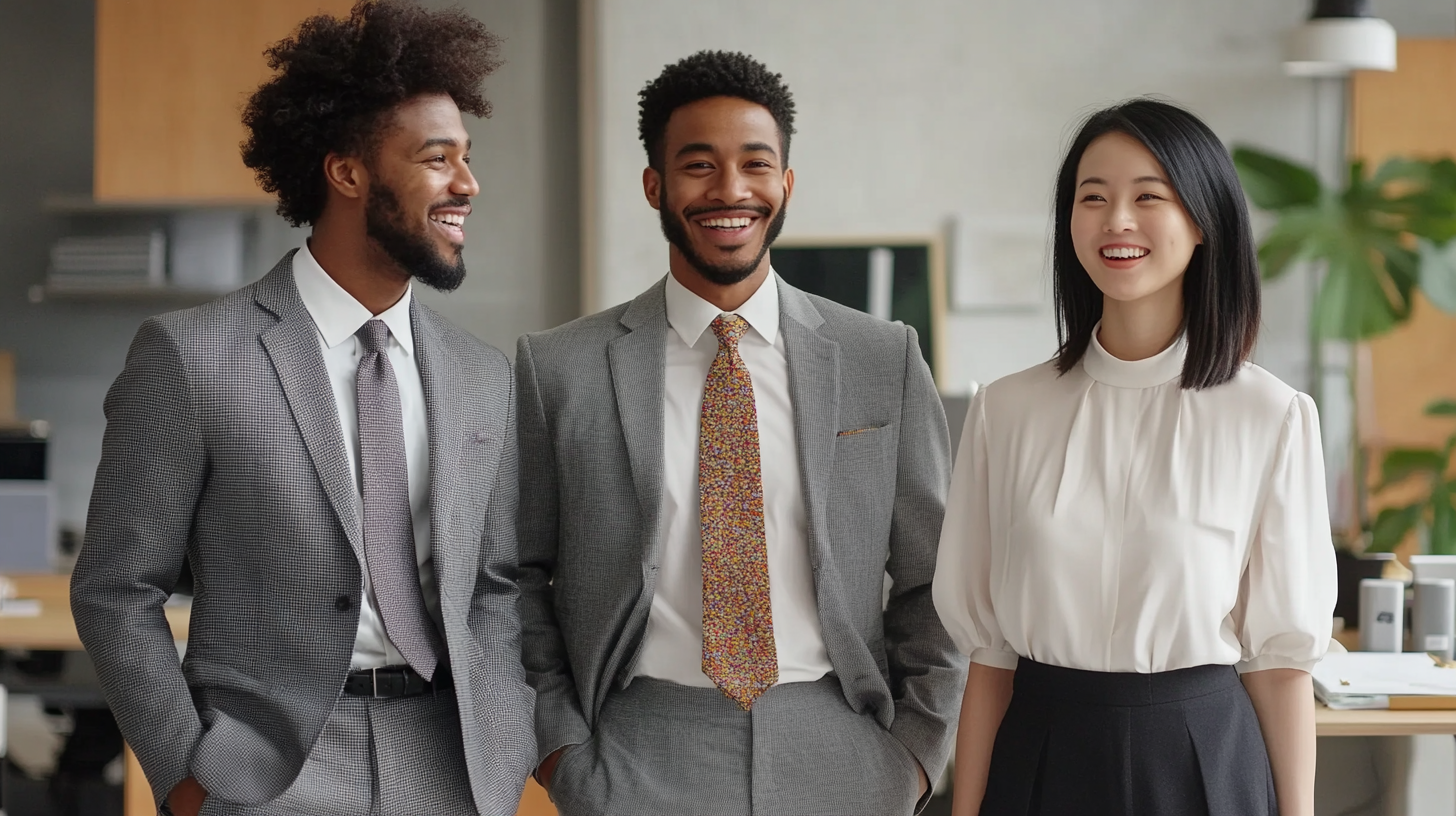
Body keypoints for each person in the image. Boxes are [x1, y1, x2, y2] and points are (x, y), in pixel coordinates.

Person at [69, 3, 535, 814]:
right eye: (437, 158)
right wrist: (185, 777)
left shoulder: (480, 374)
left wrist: (510, 736)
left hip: (452, 769)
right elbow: (116, 589)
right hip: (262, 774)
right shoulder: (190, 356)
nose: (468, 184)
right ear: (348, 173)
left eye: (468, 156)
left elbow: (494, 588)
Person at [516, 50, 967, 816]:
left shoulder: (881, 357)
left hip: (841, 748)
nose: (730, 190)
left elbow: (939, 581)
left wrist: (915, 757)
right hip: (635, 751)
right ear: (655, 185)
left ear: (785, 183)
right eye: (699, 165)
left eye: (756, 164)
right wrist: (565, 756)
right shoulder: (558, 368)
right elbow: (517, 580)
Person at [933, 98, 1337, 816]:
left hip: (1203, 755)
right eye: (1094, 198)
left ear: (1203, 220)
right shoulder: (1005, 410)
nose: (1116, 220)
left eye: (1148, 196)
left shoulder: (1271, 416)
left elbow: (1279, 664)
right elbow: (989, 659)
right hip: (1040, 752)